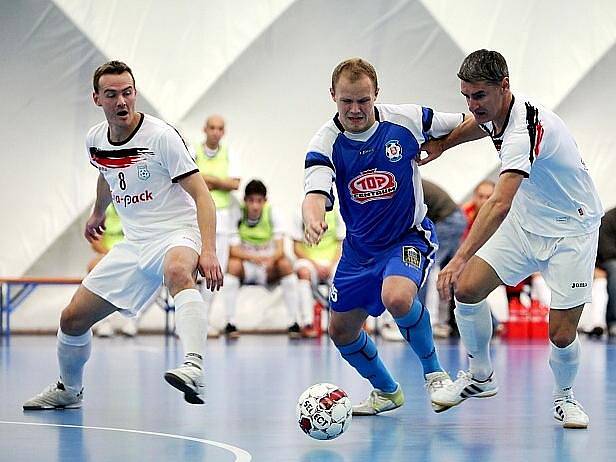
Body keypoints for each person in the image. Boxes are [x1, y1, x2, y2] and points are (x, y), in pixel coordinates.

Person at [23, 60, 223, 409]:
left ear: (135, 93)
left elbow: (202, 196)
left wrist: (208, 251)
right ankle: (69, 391)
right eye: (112, 94)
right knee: (71, 319)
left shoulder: (161, 137)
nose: (122, 102)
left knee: (178, 271)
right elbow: (106, 170)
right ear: (97, 99)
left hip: (177, 233)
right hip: (134, 245)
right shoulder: (95, 140)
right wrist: (98, 212)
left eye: (127, 93)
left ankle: (195, 367)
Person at [422, 49, 603, 429]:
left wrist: (458, 258)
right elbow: (478, 124)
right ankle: (481, 376)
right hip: (527, 224)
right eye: (466, 96)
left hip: (572, 230)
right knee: (468, 290)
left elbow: (500, 202)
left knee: (561, 331)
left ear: (504, 86)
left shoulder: (526, 129)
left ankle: (565, 398)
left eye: (479, 96)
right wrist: (444, 144)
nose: (472, 105)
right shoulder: (494, 112)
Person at [302, 57, 464, 416]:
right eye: (347, 101)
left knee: (398, 295)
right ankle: (386, 391)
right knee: (341, 332)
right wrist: (313, 218)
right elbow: (315, 191)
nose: (356, 110)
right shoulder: (326, 142)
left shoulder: (405, 120)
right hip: (359, 251)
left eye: (363, 100)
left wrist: (444, 144)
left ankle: (435, 373)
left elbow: (469, 120)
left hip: (407, 237)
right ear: (333, 96)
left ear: (376, 94)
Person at [223, 179, 302, 338]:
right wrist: (256, 257)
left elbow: (280, 249)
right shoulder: (237, 215)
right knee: (232, 266)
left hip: (269, 265)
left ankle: (294, 322)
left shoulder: (273, 213)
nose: (255, 206)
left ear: (265, 201)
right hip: (248, 266)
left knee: (286, 265)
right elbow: (233, 250)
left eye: (259, 201)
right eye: (251, 201)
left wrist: (269, 260)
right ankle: (230, 322)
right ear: (245, 201)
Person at [194, 114, 241, 337]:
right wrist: (218, 181)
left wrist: (208, 180)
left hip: (221, 219)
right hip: (195, 216)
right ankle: (188, 321)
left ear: (224, 131)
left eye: (219, 128)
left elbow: (234, 183)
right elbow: (186, 178)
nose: (215, 132)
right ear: (205, 128)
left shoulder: (229, 153)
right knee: (191, 269)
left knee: (215, 271)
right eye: (211, 127)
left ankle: (202, 320)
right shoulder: (192, 150)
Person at [87, 203, 139, 338]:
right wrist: (112, 256)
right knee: (93, 266)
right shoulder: (100, 207)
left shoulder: (137, 201)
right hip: (107, 254)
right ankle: (104, 321)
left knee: (145, 269)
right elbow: (95, 241)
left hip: (133, 253)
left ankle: (132, 319)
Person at [292, 209, 344, 337]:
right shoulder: (299, 211)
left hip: (332, 262)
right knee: (303, 273)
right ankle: (307, 323)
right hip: (309, 261)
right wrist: (316, 265)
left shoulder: (338, 212)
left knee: (345, 275)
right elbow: (296, 248)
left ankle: (345, 323)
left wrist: (331, 264)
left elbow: (341, 244)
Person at [598, 207, 616, 337]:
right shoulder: (609, 219)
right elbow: (606, 251)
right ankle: (613, 321)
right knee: (615, 270)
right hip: (607, 260)